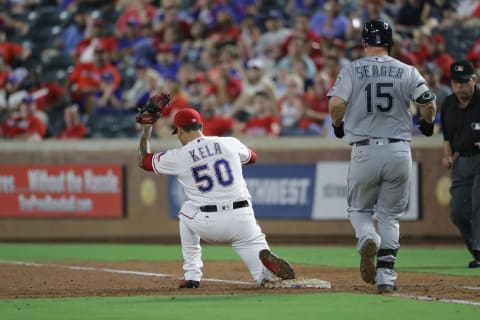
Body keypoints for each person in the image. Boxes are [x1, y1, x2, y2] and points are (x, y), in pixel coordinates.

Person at [327, 20, 437, 293]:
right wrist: (427, 124)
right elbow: (428, 103)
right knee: (390, 216)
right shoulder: (407, 70)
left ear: (365, 42)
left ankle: (367, 237)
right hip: (399, 149)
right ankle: (386, 278)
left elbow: (336, 104)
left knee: (359, 210)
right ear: (390, 43)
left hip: (365, 149)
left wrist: (338, 126)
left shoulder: (353, 69)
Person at [137, 107, 295, 288]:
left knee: (186, 211)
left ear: (180, 131)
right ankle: (264, 274)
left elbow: (143, 160)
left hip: (210, 224)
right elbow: (252, 158)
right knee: (259, 263)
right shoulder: (229, 142)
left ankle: (192, 274)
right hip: (243, 219)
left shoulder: (179, 156)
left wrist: (146, 128)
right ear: (201, 125)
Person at [440, 60, 480, 269]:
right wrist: (447, 156)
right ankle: (476, 250)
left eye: (464, 82)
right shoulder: (448, 104)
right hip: (461, 161)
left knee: (478, 203)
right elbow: (447, 137)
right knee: (457, 211)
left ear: (474, 80)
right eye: (456, 82)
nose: (460, 86)